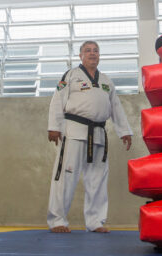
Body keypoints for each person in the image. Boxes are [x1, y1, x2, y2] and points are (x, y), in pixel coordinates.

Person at [47, 40, 133, 233]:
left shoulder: (106, 80)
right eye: (88, 50)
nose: (92, 53)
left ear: (99, 55)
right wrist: (54, 127)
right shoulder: (71, 75)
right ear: (80, 55)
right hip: (74, 131)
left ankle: (95, 222)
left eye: (96, 50)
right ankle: (57, 220)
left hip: (99, 134)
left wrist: (124, 131)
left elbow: (116, 107)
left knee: (97, 180)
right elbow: (56, 101)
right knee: (65, 177)